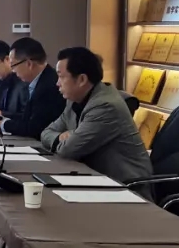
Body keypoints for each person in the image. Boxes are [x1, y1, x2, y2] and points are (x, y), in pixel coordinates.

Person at [40, 47, 152, 183]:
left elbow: (68, 150)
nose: (57, 83)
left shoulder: (105, 106)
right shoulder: (74, 100)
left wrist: (70, 137)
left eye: (61, 77)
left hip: (125, 185)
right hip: (94, 178)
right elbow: (46, 133)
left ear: (82, 79)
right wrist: (60, 137)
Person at [0, 38, 65, 139]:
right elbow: (27, 118)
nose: (13, 70)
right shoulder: (38, 81)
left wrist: (3, 123)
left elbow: (34, 128)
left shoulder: (48, 85)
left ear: (29, 64)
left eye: (14, 65)